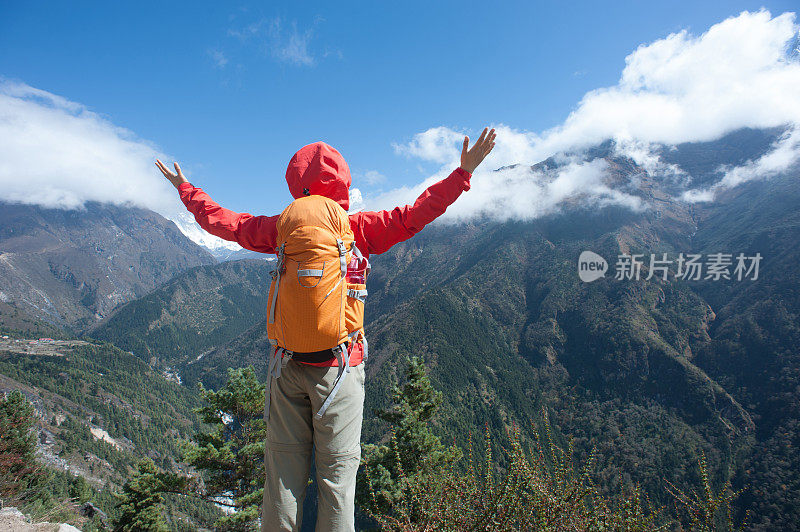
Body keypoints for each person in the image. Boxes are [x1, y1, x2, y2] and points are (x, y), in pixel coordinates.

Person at [156, 127, 496, 532]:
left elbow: (227, 223)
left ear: (295, 183)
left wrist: (186, 189)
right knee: (336, 483)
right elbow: (416, 214)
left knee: (281, 478)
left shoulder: (281, 228)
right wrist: (462, 175)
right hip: (339, 367)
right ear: (343, 182)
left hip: (286, 368)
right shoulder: (360, 229)